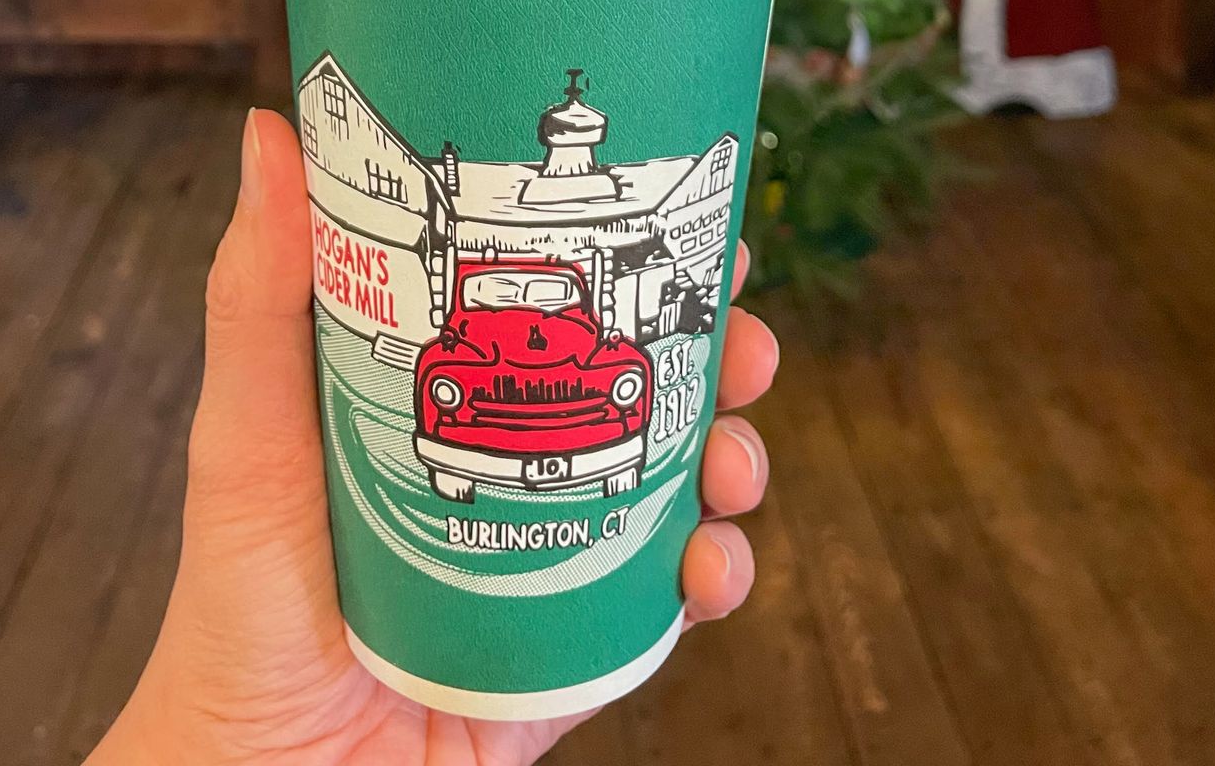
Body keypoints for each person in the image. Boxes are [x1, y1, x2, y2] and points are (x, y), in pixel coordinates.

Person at [89, 107, 778, 766]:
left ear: (580, 305)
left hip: (598, 460)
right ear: (464, 303)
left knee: (676, 404)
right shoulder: (457, 334)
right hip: (343, 669)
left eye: (548, 300)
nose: (526, 309)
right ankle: (472, 467)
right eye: (500, 296)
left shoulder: (592, 331)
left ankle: (604, 469)